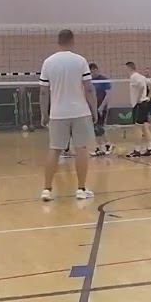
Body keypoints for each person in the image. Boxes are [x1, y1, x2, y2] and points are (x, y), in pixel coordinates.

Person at [38, 29, 97, 201]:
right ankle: (81, 189)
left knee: (54, 150)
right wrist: (94, 110)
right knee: (81, 149)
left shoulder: (48, 62)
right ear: (72, 41)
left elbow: (43, 92)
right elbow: (89, 88)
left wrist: (44, 114)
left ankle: (46, 190)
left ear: (58, 42)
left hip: (57, 113)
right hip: (80, 112)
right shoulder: (80, 61)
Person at [125, 61, 151, 157]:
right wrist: (148, 97)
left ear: (129, 68)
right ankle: (150, 148)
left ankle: (137, 150)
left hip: (139, 105)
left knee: (137, 128)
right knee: (144, 127)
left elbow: (142, 87)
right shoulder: (141, 76)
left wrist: (138, 99)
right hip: (144, 104)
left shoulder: (134, 77)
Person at [88, 63, 113, 157]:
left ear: (96, 70)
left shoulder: (103, 79)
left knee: (99, 127)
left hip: (101, 108)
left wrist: (102, 107)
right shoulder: (89, 80)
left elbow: (108, 94)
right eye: (90, 72)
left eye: (93, 71)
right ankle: (99, 148)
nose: (92, 73)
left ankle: (108, 145)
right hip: (92, 108)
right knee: (95, 129)